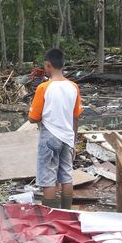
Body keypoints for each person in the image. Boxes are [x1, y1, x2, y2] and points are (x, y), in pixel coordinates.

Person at [28, 48, 83, 209]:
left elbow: (33, 118)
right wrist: (73, 140)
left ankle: (51, 218)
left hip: (50, 136)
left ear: (47, 65)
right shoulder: (73, 87)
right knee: (66, 175)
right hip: (67, 137)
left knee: (48, 178)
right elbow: (76, 116)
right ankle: (66, 213)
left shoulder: (43, 88)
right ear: (63, 64)